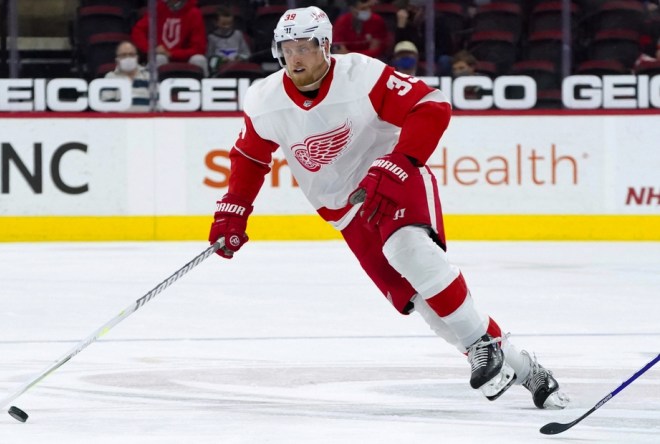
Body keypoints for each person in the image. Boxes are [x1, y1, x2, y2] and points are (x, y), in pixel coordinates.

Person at [208, 6, 569, 410]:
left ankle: (480, 344)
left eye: (305, 47)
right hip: (345, 212)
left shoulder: (361, 74)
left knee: (409, 251)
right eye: (286, 48)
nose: (295, 58)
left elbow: (431, 105)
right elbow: (250, 157)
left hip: (392, 181)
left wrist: (402, 160)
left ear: (326, 46)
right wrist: (232, 211)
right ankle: (526, 368)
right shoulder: (264, 100)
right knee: (428, 308)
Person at [130, 0, 208, 77]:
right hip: (162, 55)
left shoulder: (194, 13)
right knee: (159, 58)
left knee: (199, 59)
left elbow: (198, 48)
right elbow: (138, 31)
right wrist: (151, 48)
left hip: (186, 58)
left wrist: (171, 53)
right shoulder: (157, 9)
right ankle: (150, 88)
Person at [101, 41, 152, 112]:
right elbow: (107, 106)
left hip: (147, 120)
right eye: (123, 55)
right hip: (120, 120)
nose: (128, 58)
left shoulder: (148, 76)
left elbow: (157, 103)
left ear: (137, 58)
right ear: (117, 59)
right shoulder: (110, 77)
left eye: (131, 54)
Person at [206, 5, 251, 76]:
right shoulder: (212, 37)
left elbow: (247, 54)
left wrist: (239, 58)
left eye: (229, 24)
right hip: (218, 69)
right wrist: (221, 60)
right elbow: (209, 56)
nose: (227, 26)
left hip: (237, 66)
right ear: (216, 22)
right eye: (223, 24)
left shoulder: (238, 34)